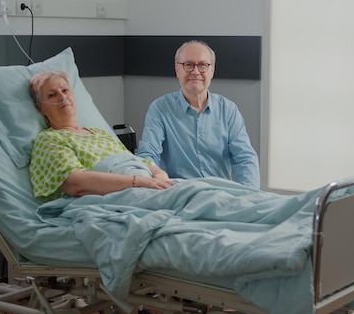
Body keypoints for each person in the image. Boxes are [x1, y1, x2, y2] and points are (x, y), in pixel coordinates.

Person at [28, 71, 172, 201]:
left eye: (65, 90)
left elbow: (136, 161)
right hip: (123, 194)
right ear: (40, 107)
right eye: (52, 95)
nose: (62, 97)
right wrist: (138, 182)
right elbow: (75, 183)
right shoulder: (49, 139)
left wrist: (160, 176)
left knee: (193, 189)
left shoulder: (100, 133)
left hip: (148, 185)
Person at [136, 40, 261, 188]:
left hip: (220, 194)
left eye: (202, 65)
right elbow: (147, 154)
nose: (195, 72)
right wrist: (156, 174)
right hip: (179, 193)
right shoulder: (160, 109)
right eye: (188, 65)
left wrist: (250, 194)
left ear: (212, 71)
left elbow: (244, 158)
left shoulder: (228, 110)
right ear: (177, 70)